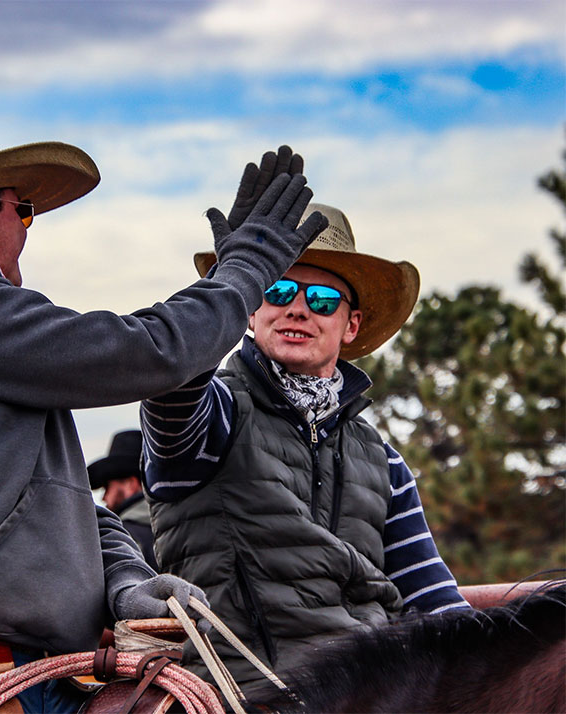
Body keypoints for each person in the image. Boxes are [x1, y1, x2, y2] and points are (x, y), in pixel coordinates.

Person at [0, 96, 329, 713]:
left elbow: (54, 500)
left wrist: (127, 581)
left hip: (12, 666)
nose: (25, 229)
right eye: (22, 210)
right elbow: (148, 352)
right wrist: (247, 267)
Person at [140, 202, 470, 690]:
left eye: (321, 299)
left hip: (375, 691)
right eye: (275, 289)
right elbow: (170, 388)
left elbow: (434, 599)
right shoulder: (216, 412)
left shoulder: (384, 459)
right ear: (251, 312)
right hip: (243, 691)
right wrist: (227, 288)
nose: (297, 308)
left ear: (351, 325)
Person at [88, 430, 157, 570]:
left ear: (131, 484)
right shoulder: (176, 530)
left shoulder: (122, 536)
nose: (104, 497)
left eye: (107, 487)